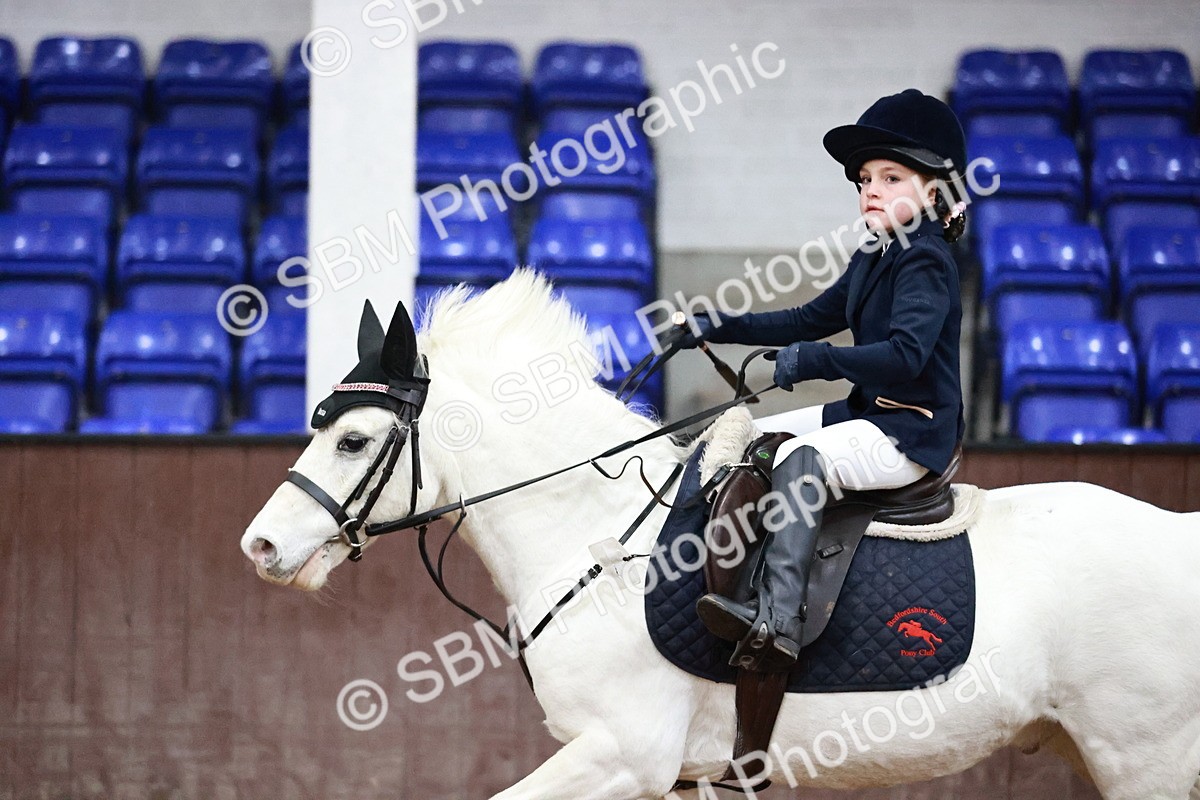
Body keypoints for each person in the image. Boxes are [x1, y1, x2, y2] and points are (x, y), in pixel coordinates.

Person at [683, 88, 968, 672]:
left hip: (910, 434)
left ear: (933, 191)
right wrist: (719, 323)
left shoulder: (926, 260)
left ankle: (778, 619)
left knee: (798, 459)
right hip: (868, 414)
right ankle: (732, 583)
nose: (871, 189)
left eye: (892, 178)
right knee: (753, 439)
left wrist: (814, 361)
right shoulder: (876, 253)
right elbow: (808, 318)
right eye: (866, 178)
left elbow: (906, 357)